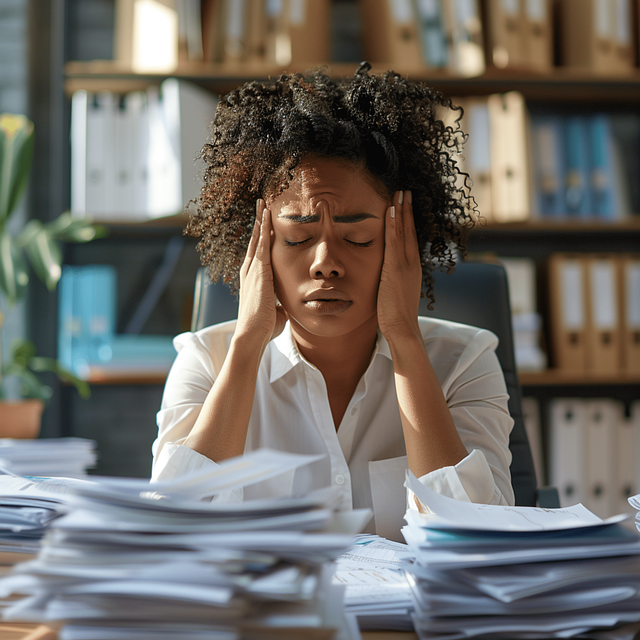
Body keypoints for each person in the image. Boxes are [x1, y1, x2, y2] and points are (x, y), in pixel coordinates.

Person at [152, 63, 514, 541]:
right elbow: (167, 535)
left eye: (359, 238)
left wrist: (405, 339)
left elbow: (483, 541)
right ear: (258, 249)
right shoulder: (206, 361)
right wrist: (246, 347)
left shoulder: (464, 362)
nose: (326, 263)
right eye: (299, 237)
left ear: (402, 245)